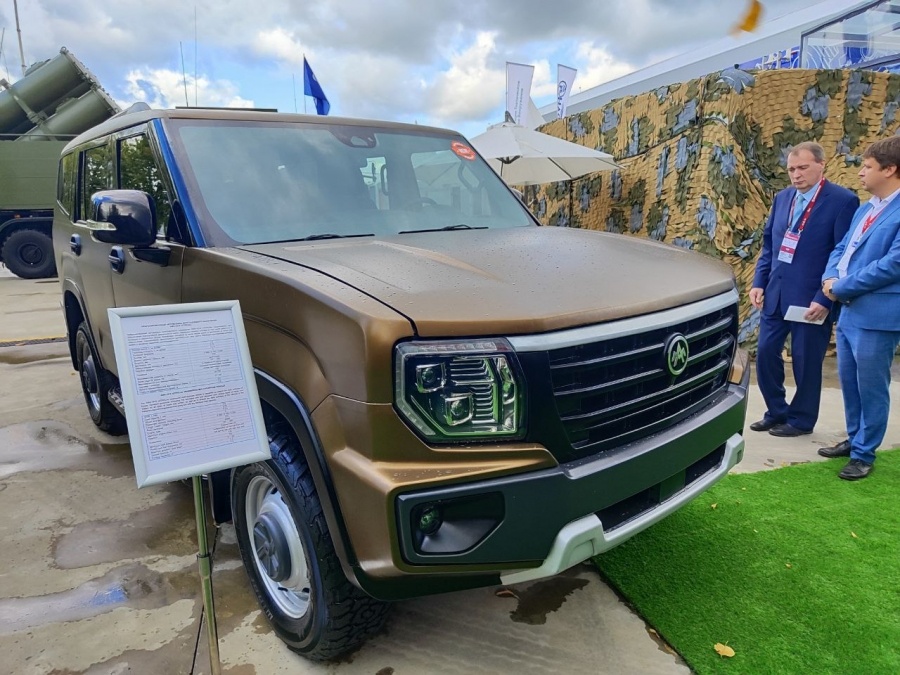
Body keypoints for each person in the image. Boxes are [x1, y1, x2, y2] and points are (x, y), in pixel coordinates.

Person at [749, 142, 859, 437]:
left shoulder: (843, 201)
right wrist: (759, 282)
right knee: (765, 352)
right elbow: (770, 245)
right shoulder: (783, 198)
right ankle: (776, 411)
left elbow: (843, 254)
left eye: (802, 168)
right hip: (775, 293)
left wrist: (826, 297)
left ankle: (801, 420)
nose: (796, 175)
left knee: (805, 361)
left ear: (821, 165)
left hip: (812, 299)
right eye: (791, 169)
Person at [819, 136, 900, 480]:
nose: (861, 172)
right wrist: (829, 278)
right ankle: (855, 439)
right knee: (850, 383)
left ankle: (865, 453)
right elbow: (841, 249)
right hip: (849, 310)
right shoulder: (867, 208)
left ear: (890, 169)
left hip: (877, 315)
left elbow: (893, 264)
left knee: (871, 386)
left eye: (867, 166)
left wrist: (841, 287)